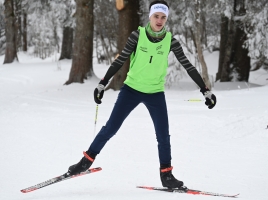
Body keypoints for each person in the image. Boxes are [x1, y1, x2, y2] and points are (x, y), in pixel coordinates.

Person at [67, 0, 216, 189]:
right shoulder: (138, 36)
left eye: (163, 17)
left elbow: (188, 66)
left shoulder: (171, 41)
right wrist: (102, 84)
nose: (160, 20)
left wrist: (205, 90)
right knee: (111, 128)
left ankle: (166, 175)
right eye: (156, 16)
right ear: (150, 16)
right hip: (131, 90)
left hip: (155, 93)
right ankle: (85, 162)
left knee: (163, 136)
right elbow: (120, 60)